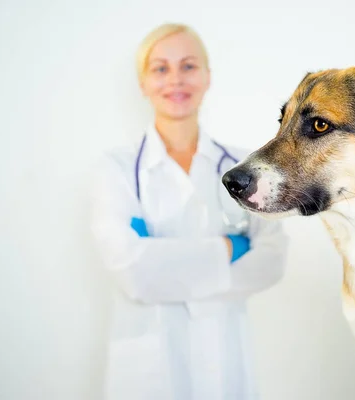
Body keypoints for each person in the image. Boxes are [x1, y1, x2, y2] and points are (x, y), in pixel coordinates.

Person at [88, 23, 288, 400]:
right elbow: (132, 273)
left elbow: (273, 261)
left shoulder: (243, 167)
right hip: (149, 368)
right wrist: (232, 249)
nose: (175, 79)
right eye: (160, 68)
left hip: (225, 360)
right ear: (142, 83)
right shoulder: (116, 169)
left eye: (189, 66)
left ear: (208, 77)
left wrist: (163, 262)